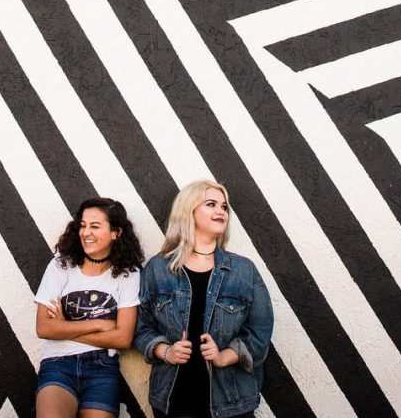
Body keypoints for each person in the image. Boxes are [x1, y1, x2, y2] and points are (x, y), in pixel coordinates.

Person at [135, 179, 273, 418]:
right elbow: (139, 327)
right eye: (211, 204)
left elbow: (260, 332)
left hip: (231, 402)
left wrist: (223, 357)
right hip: (173, 400)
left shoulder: (243, 270)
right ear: (189, 210)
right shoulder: (158, 268)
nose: (221, 211)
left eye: (224, 207)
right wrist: (166, 351)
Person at [35, 197, 144, 417]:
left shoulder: (128, 273)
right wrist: (101, 325)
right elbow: (44, 328)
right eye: (83, 226)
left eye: (95, 226)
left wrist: (65, 326)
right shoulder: (62, 264)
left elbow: (123, 338)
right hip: (58, 364)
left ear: (116, 233)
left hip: (102, 370)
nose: (86, 233)